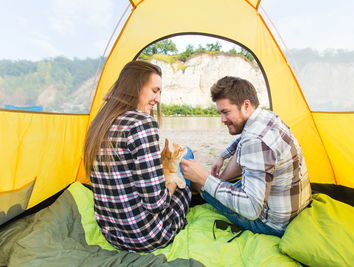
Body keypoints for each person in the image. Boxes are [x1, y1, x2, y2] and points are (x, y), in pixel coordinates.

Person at [181, 76, 311, 237]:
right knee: (232, 162)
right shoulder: (267, 118)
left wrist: (203, 179)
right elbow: (243, 139)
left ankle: (196, 194)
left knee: (198, 181)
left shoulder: (255, 142)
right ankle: (214, 184)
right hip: (293, 207)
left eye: (226, 112)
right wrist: (223, 155)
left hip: (272, 224)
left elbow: (252, 209)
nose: (222, 119)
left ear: (246, 105)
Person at [83, 60, 191, 253]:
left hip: (113, 234)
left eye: (159, 92)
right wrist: (173, 177)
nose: (158, 99)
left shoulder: (100, 122)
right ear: (136, 87)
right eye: (154, 90)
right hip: (146, 236)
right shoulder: (142, 123)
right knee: (185, 181)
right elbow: (157, 203)